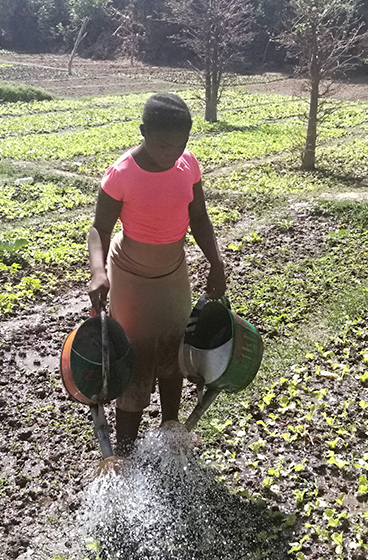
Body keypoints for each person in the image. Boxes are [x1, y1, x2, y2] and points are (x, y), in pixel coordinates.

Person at [87, 92, 227, 455]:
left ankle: (170, 427)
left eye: (181, 145)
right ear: (143, 131)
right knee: (135, 356)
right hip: (132, 274)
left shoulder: (188, 166)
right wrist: (97, 273)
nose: (173, 153)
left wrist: (215, 261)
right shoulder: (121, 175)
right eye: (164, 145)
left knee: (172, 348)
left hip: (173, 271)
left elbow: (198, 218)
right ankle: (125, 450)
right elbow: (99, 230)